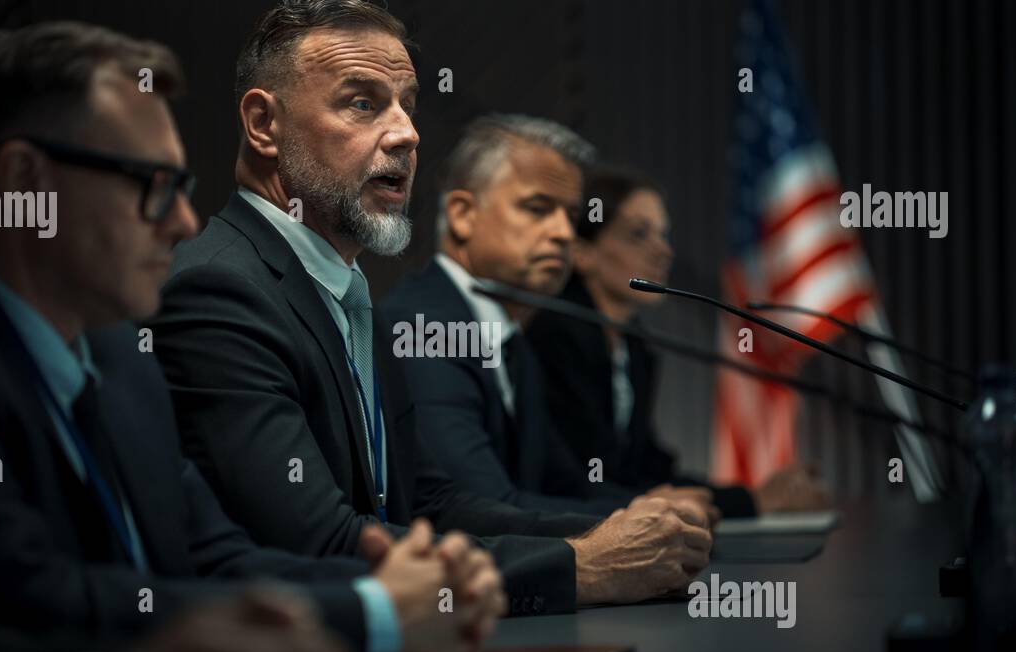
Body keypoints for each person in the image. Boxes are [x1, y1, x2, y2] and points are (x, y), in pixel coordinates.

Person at [0, 18, 504, 652]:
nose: (180, 221)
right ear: (25, 182)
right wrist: (375, 611)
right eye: (153, 186)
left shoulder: (121, 359)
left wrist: (410, 588)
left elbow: (219, 557)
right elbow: (30, 598)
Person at [151, 0, 713, 614]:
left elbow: (427, 504)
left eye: (408, 105)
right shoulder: (219, 289)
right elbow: (318, 540)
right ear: (264, 124)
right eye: (362, 103)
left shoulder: (346, 291)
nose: (407, 134)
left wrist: (611, 532)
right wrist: (582, 567)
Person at [382, 114, 652, 518]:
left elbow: (566, 485)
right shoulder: (424, 327)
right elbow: (476, 508)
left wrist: (654, 508)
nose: (563, 233)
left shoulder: (511, 339)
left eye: (571, 216)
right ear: (462, 215)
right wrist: (638, 521)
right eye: (538, 208)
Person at [527, 166, 830, 517]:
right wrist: (752, 503)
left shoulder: (633, 347)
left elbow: (648, 471)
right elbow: (572, 486)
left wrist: (753, 495)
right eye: (639, 235)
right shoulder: (555, 336)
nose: (663, 252)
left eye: (663, 235)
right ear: (582, 253)